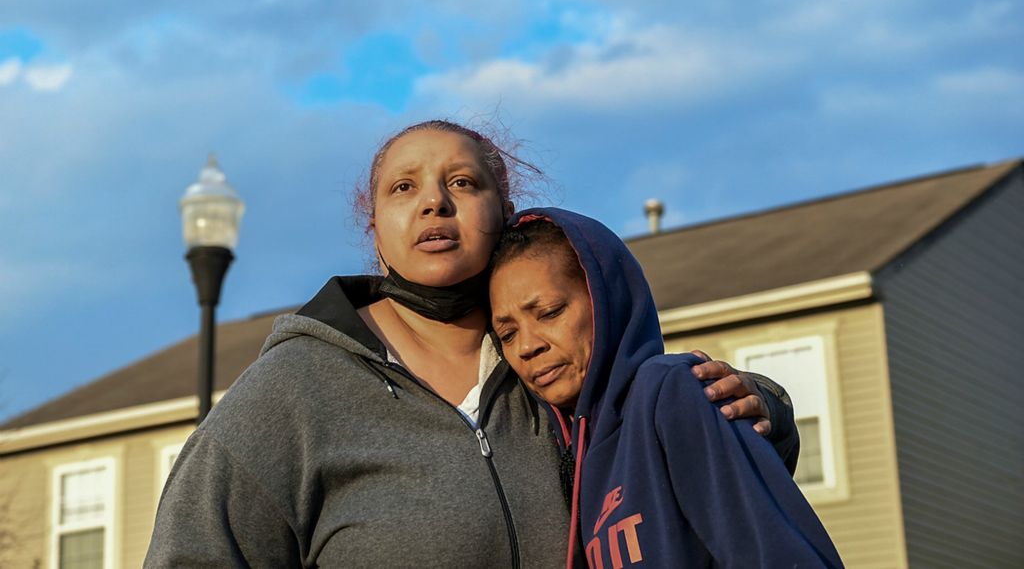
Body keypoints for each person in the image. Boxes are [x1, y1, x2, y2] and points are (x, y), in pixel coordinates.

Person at [145, 120, 799, 568]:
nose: (434, 201)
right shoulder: (291, 389)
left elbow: (661, 423)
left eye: (462, 182)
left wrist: (761, 403)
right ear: (377, 230)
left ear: (504, 209)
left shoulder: (552, 361)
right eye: (404, 187)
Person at [489, 209, 843, 568]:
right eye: (507, 334)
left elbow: (773, 552)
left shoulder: (669, 391)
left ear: (605, 299)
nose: (527, 346)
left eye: (549, 312)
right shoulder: (572, 454)